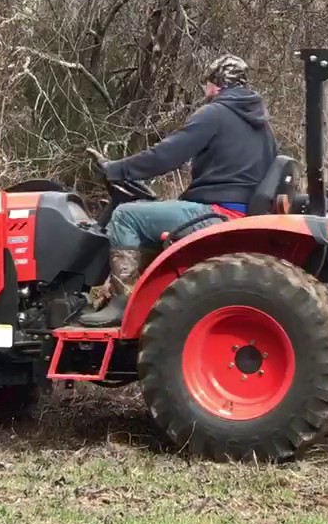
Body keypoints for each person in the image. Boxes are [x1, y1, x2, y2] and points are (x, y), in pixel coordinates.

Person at [78, 53, 278, 327]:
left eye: (207, 84)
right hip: (240, 214)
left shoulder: (215, 113)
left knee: (126, 215)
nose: (206, 91)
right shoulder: (262, 126)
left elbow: (167, 155)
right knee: (148, 216)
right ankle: (142, 297)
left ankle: (121, 304)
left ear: (215, 84)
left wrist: (117, 169)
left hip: (215, 214)